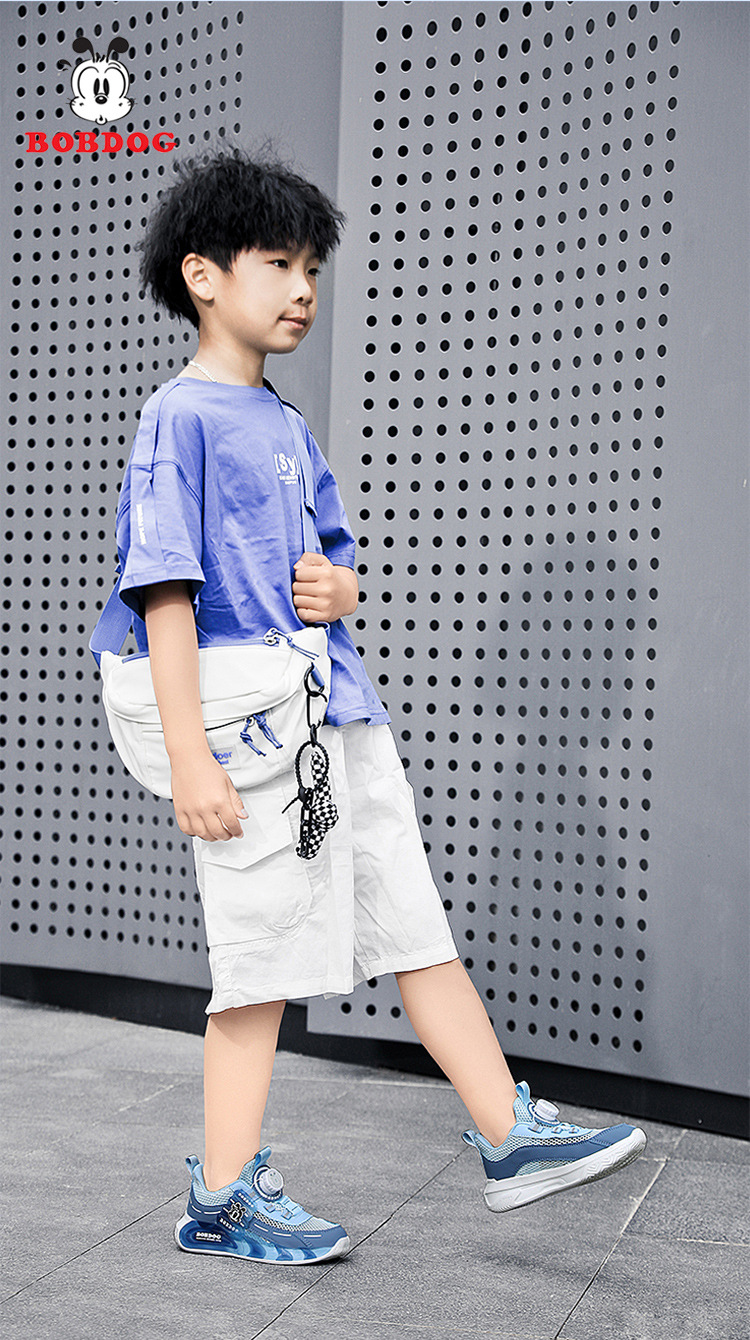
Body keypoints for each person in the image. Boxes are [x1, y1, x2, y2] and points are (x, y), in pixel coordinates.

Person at [113, 148, 646, 1265]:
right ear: (204, 275)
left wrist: (341, 589)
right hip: (252, 729)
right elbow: (163, 593)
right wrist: (191, 757)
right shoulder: (180, 418)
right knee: (261, 957)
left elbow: (330, 560)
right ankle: (222, 1196)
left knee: (413, 919)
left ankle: (507, 1133)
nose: (303, 287)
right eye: (278, 263)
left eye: (312, 267)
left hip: (333, 711)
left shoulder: (285, 424)